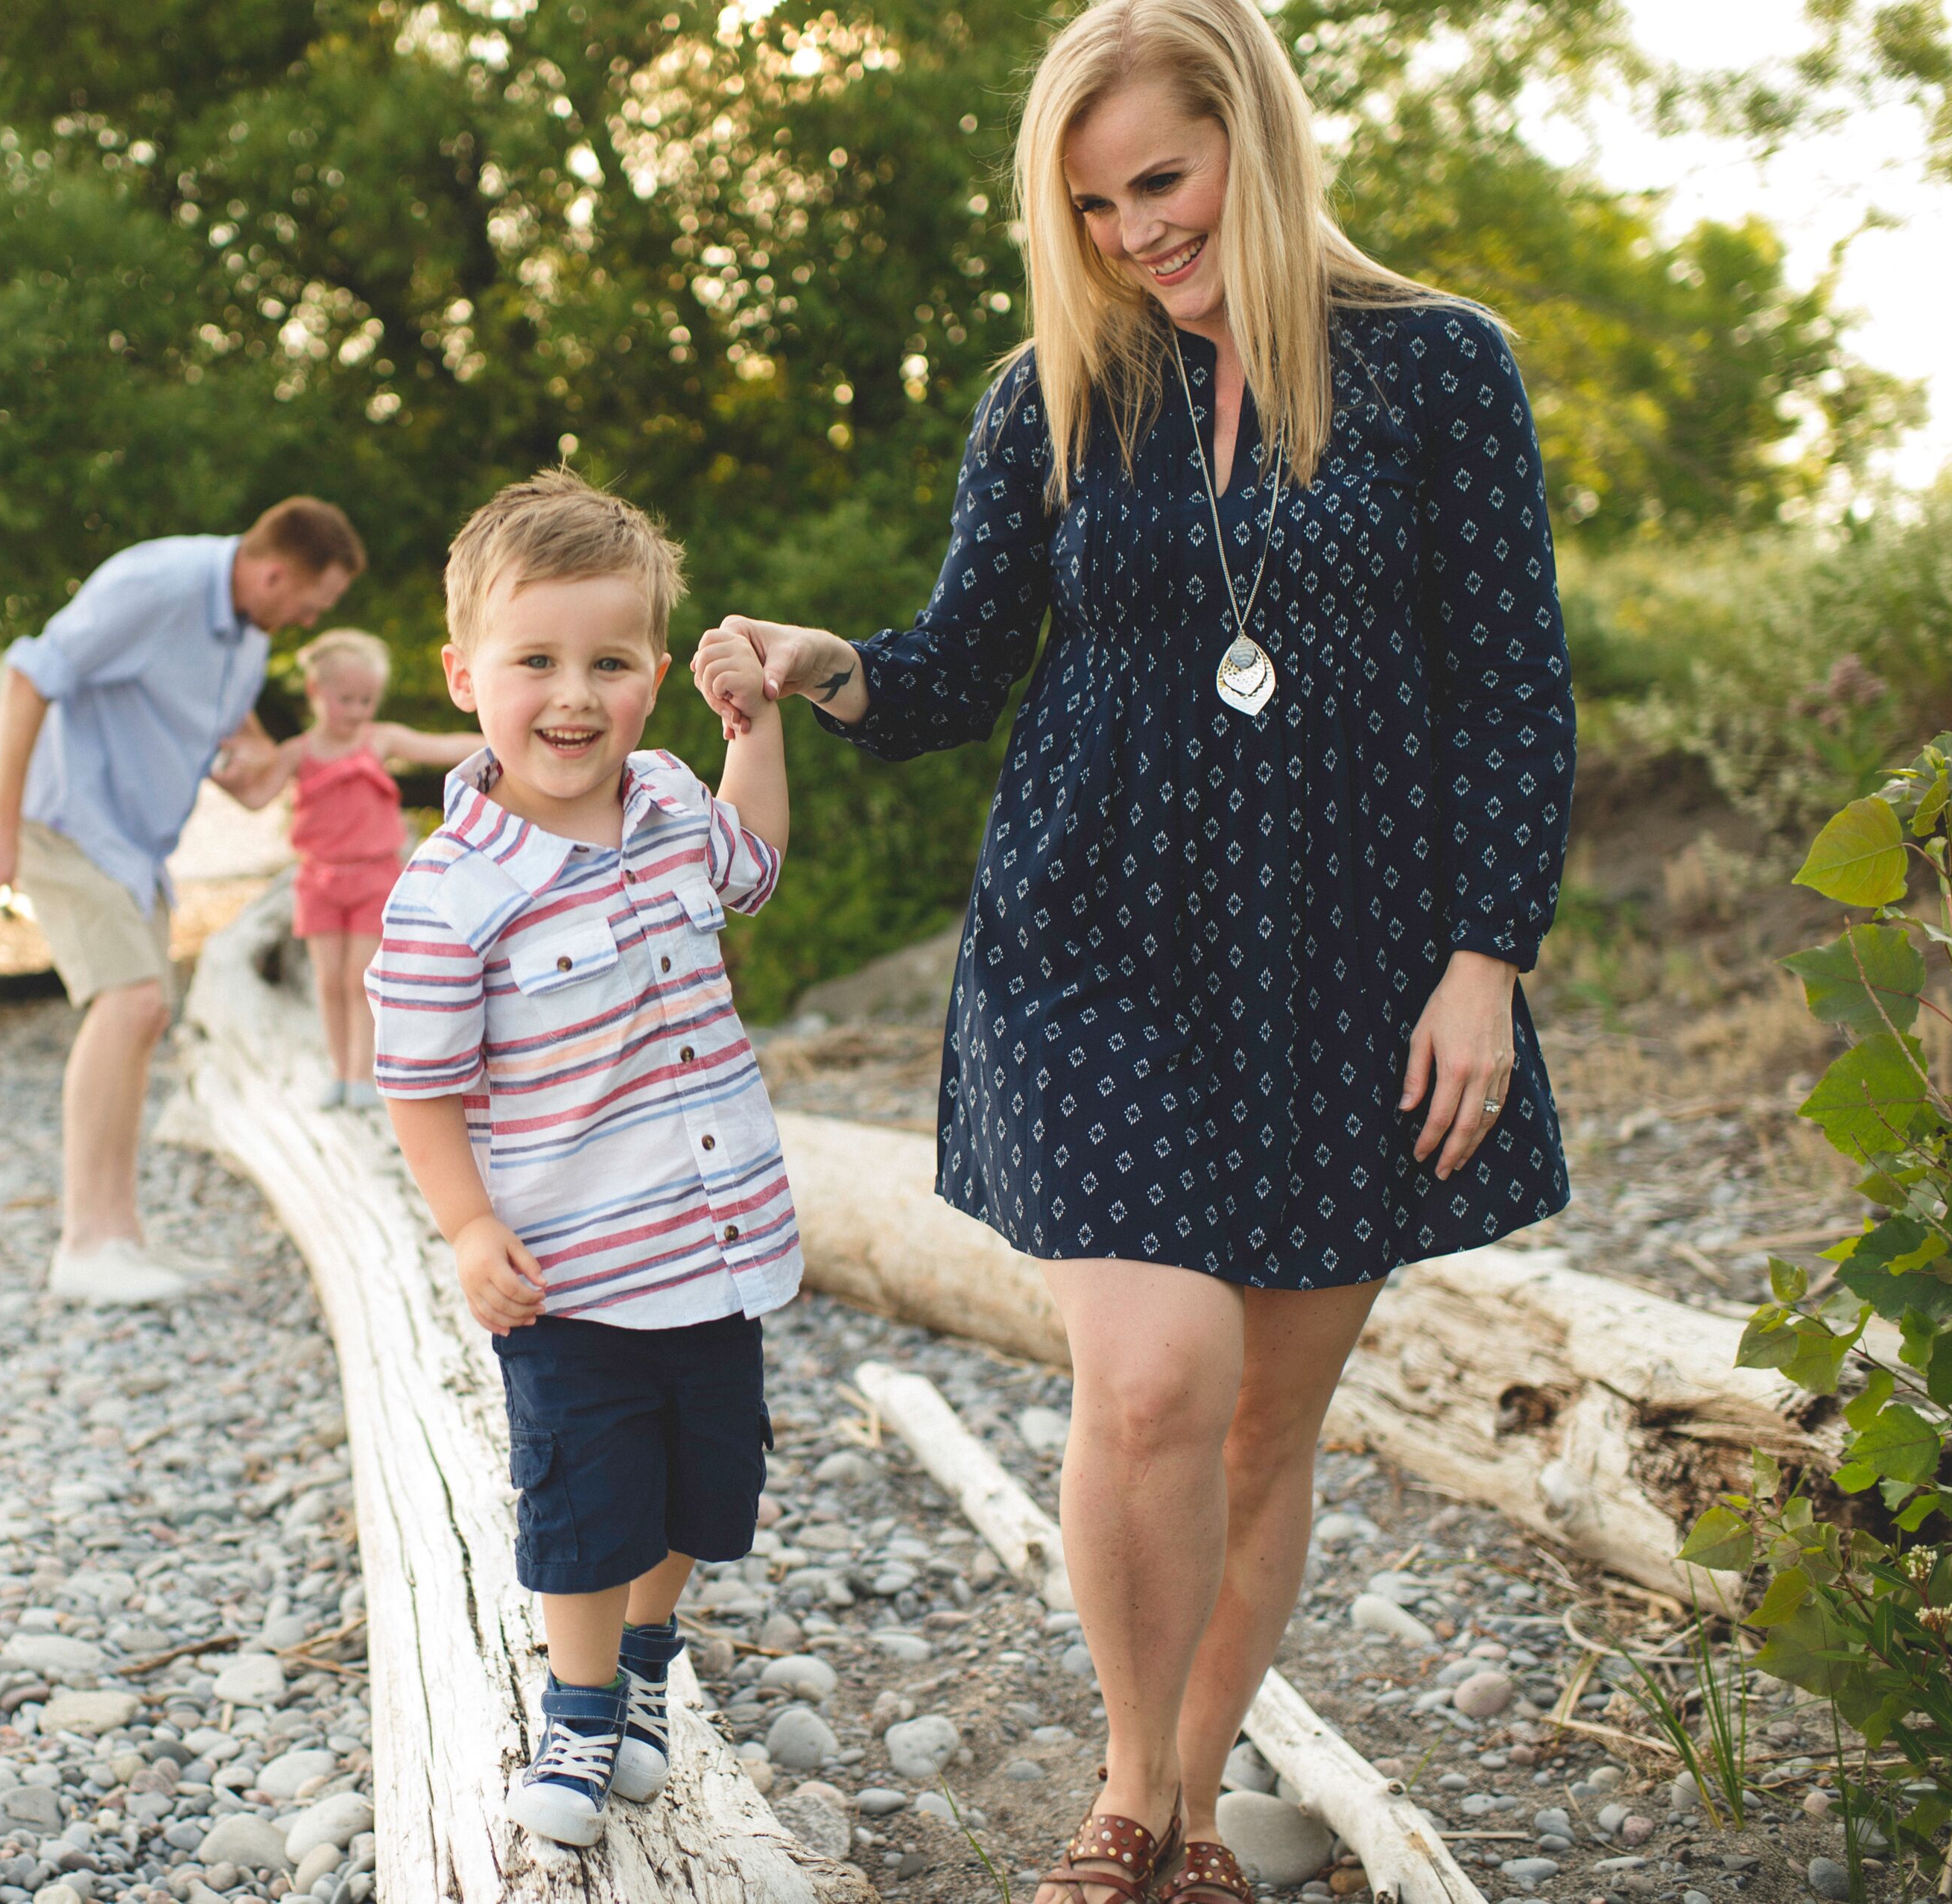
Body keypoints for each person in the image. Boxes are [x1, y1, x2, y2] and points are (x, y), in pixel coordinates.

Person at [704, 1, 1576, 1898]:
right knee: (1157, 1379)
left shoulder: (1438, 370)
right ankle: (1123, 1793)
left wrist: (1482, 959)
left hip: (1352, 960)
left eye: (1156, 184)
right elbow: (947, 667)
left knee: (1268, 1424)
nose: (1129, 236)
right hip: (1087, 936)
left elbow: (1513, 686)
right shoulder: (1057, 391)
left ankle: (1192, 1803)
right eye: (1089, 207)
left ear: (1249, 138)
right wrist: (810, 662)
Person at [365, 469, 795, 1849]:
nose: (572, 695)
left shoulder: (671, 802)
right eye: (535, 661)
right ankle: (581, 1700)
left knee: (697, 1491)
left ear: (654, 677)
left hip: (715, 1247)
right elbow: (419, 1085)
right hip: (569, 1268)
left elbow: (757, 868)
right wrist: (466, 1229)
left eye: (608, 663)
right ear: (465, 674)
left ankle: (652, 1666)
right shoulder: (451, 888)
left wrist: (756, 726)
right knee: (582, 1496)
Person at [0, 498, 364, 1306]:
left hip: (133, 846)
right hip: (64, 816)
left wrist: (255, 755)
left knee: (145, 1014)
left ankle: (120, 1234)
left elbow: (232, 739)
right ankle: (85, 1242)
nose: (307, 620)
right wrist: (1, 827)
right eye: (310, 604)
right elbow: (29, 672)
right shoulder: (157, 582)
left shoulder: (248, 633)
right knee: (128, 1001)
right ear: (275, 571)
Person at [218, 628, 480, 1108]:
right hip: (318, 880)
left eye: (367, 700)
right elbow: (257, 797)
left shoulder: (377, 740)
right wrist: (220, 775)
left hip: (373, 876)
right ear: (316, 692)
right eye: (347, 700)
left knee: (361, 978)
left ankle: (363, 1075)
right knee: (327, 980)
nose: (359, 711)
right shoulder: (297, 752)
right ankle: (338, 1072)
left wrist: (504, 737)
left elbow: (440, 746)